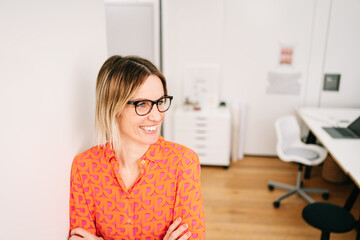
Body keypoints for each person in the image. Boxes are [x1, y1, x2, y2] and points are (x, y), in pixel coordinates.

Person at [69, 55, 205, 240]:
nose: (157, 116)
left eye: (160, 102)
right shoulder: (85, 167)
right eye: (142, 104)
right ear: (113, 107)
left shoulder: (183, 163)